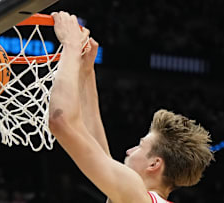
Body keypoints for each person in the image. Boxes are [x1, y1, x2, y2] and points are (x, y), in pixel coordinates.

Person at [48, 11, 214, 203]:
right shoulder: (139, 198)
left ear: (154, 163)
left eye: (140, 146)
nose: (129, 151)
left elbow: (60, 120)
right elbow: (102, 157)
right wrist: (86, 73)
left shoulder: (136, 195)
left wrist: (71, 46)